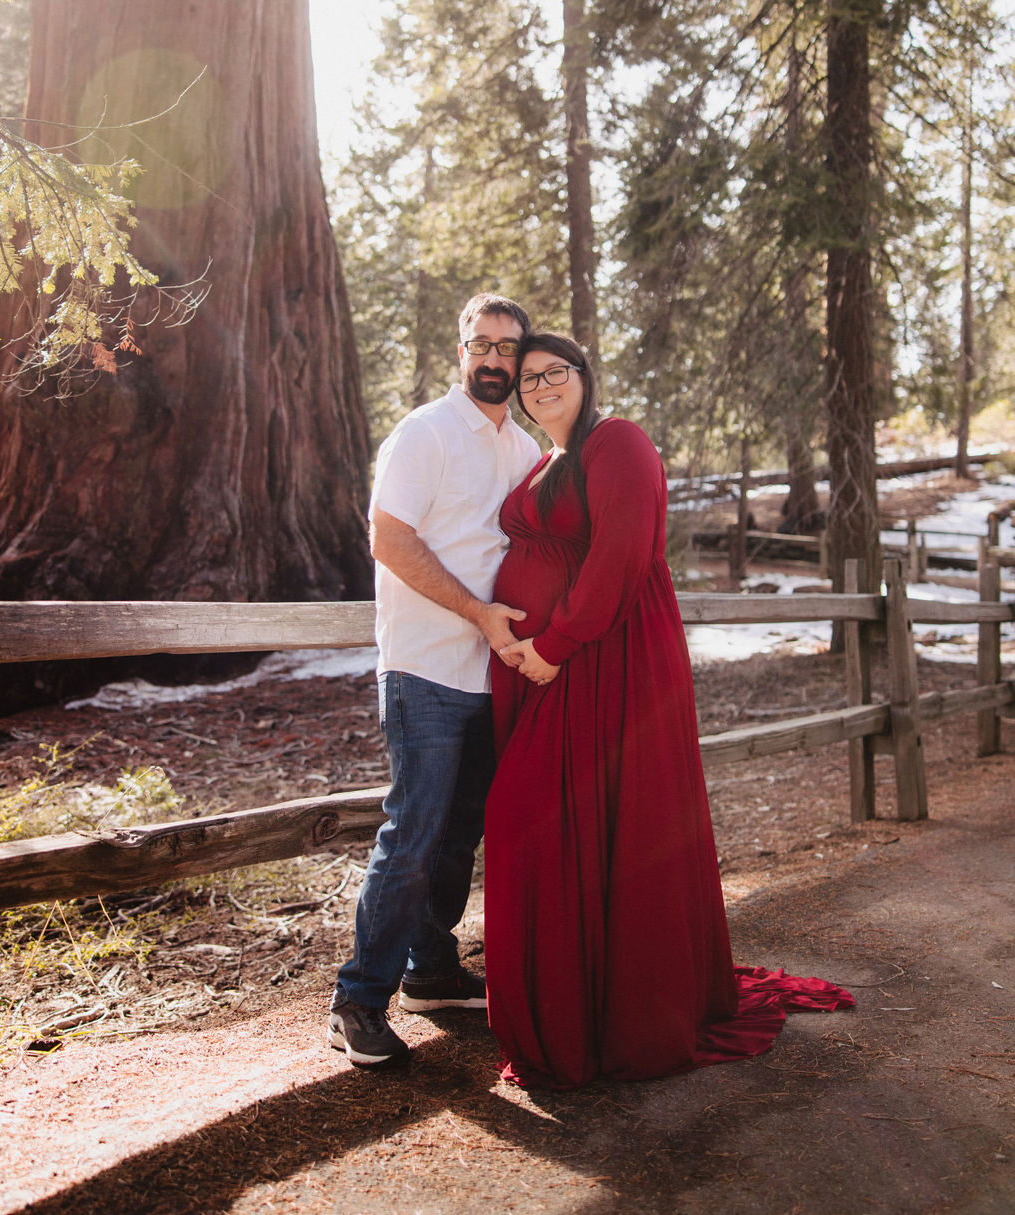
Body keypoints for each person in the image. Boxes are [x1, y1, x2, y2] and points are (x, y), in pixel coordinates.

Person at [485, 333, 854, 1088]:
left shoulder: (618, 441)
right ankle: (577, 1004)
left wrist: (552, 642)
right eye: (529, 377)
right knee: (556, 821)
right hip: (556, 664)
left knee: (543, 816)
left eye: (555, 371)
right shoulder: (547, 461)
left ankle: (614, 1014)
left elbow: (621, 555)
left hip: (604, 659)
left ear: (585, 377)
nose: (541, 384)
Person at [328, 294, 542, 1067]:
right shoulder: (424, 433)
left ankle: (431, 969)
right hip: (425, 665)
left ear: (522, 358)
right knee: (414, 832)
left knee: (460, 835)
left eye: (507, 348)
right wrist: (479, 612)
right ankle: (357, 999)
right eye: (480, 344)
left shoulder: (523, 449)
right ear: (460, 351)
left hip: (494, 674)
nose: (493, 359)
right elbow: (390, 539)